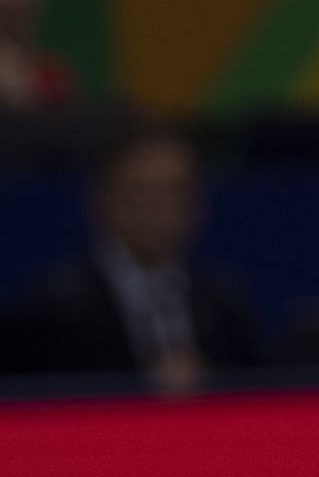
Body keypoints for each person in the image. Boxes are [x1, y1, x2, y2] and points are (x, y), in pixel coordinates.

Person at [7, 123, 259, 391]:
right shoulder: (55, 309)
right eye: (141, 191)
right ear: (102, 199)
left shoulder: (225, 303)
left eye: (173, 192)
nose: (157, 209)